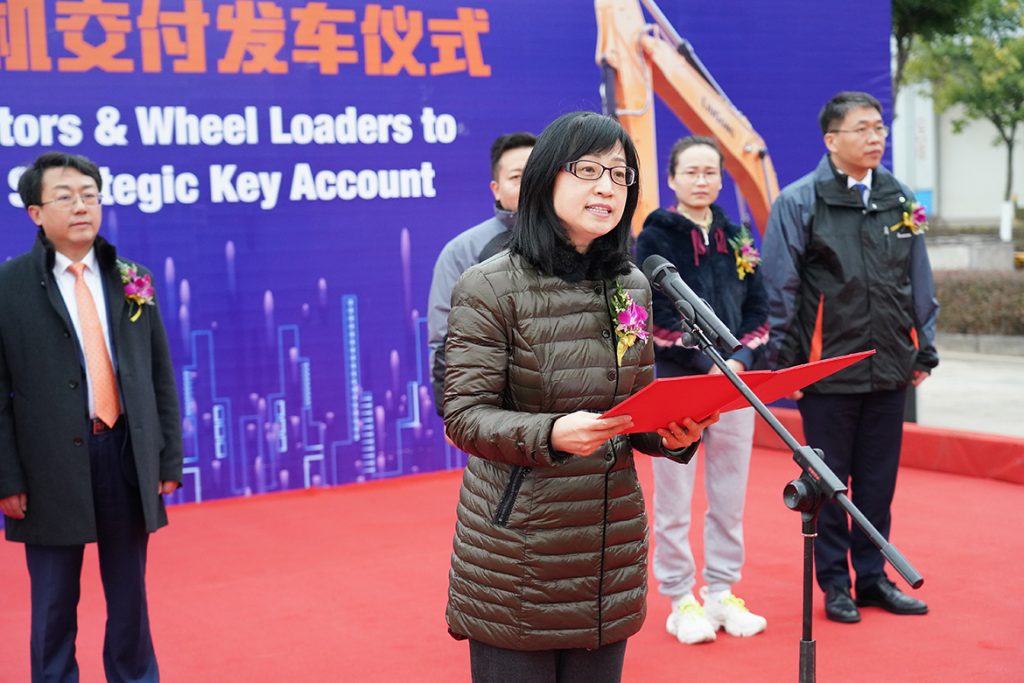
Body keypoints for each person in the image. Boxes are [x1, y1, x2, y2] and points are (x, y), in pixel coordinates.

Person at [442, 111, 719, 683]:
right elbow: (463, 416)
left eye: (620, 175)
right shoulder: (490, 285)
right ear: (545, 179)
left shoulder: (631, 285)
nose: (607, 187)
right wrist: (550, 433)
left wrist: (671, 435)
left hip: (608, 549)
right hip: (519, 552)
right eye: (589, 170)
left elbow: (634, 403)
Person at [0, 152, 183, 681]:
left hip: (123, 454)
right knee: (54, 602)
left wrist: (166, 457)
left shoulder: (132, 278)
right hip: (47, 466)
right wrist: (6, 477)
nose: (82, 206)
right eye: (65, 197)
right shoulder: (8, 287)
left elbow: (158, 374)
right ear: (36, 213)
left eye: (90, 195)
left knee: (130, 598)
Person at [761, 92, 938, 624]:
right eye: (862, 128)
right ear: (831, 140)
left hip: (890, 364)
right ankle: (835, 583)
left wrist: (924, 346)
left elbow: (918, 278)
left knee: (878, 484)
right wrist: (785, 365)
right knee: (828, 484)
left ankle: (874, 578)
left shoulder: (897, 197)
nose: (875, 137)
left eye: (879, 127)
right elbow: (780, 287)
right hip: (827, 370)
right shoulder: (800, 201)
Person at [635, 135, 769, 644]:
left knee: (729, 496)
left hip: (735, 384)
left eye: (710, 171)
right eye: (691, 171)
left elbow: (759, 310)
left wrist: (739, 359)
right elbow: (650, 315)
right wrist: (707, 361)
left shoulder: (738, 236)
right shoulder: (654, 236)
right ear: (672, 179)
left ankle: (721, 591)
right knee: (674, 498)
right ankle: (680, 599)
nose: (701, 180)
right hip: (680, 385)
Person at [426, 131, 536, 414]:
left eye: (537, 172)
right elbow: (446, 340)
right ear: (496, 188)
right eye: (517, 177)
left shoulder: (581, 239)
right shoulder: (463, 251)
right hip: (496, 412)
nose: (530, 183)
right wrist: (452, 412)